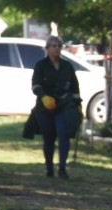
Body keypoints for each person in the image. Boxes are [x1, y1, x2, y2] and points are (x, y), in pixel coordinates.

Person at [31, 35, 82, 178]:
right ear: (47, 48)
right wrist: (44, 97)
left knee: (63, 135)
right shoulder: (41, 65)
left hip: (63, 105)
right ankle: (49, 167)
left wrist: (78, 105)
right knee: (49, 138)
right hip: (45, 107)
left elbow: (74, 86)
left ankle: (62, 168)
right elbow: (35, 85)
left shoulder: (67, 66)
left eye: (59, 46)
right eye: (53, 46)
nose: (57, 49)